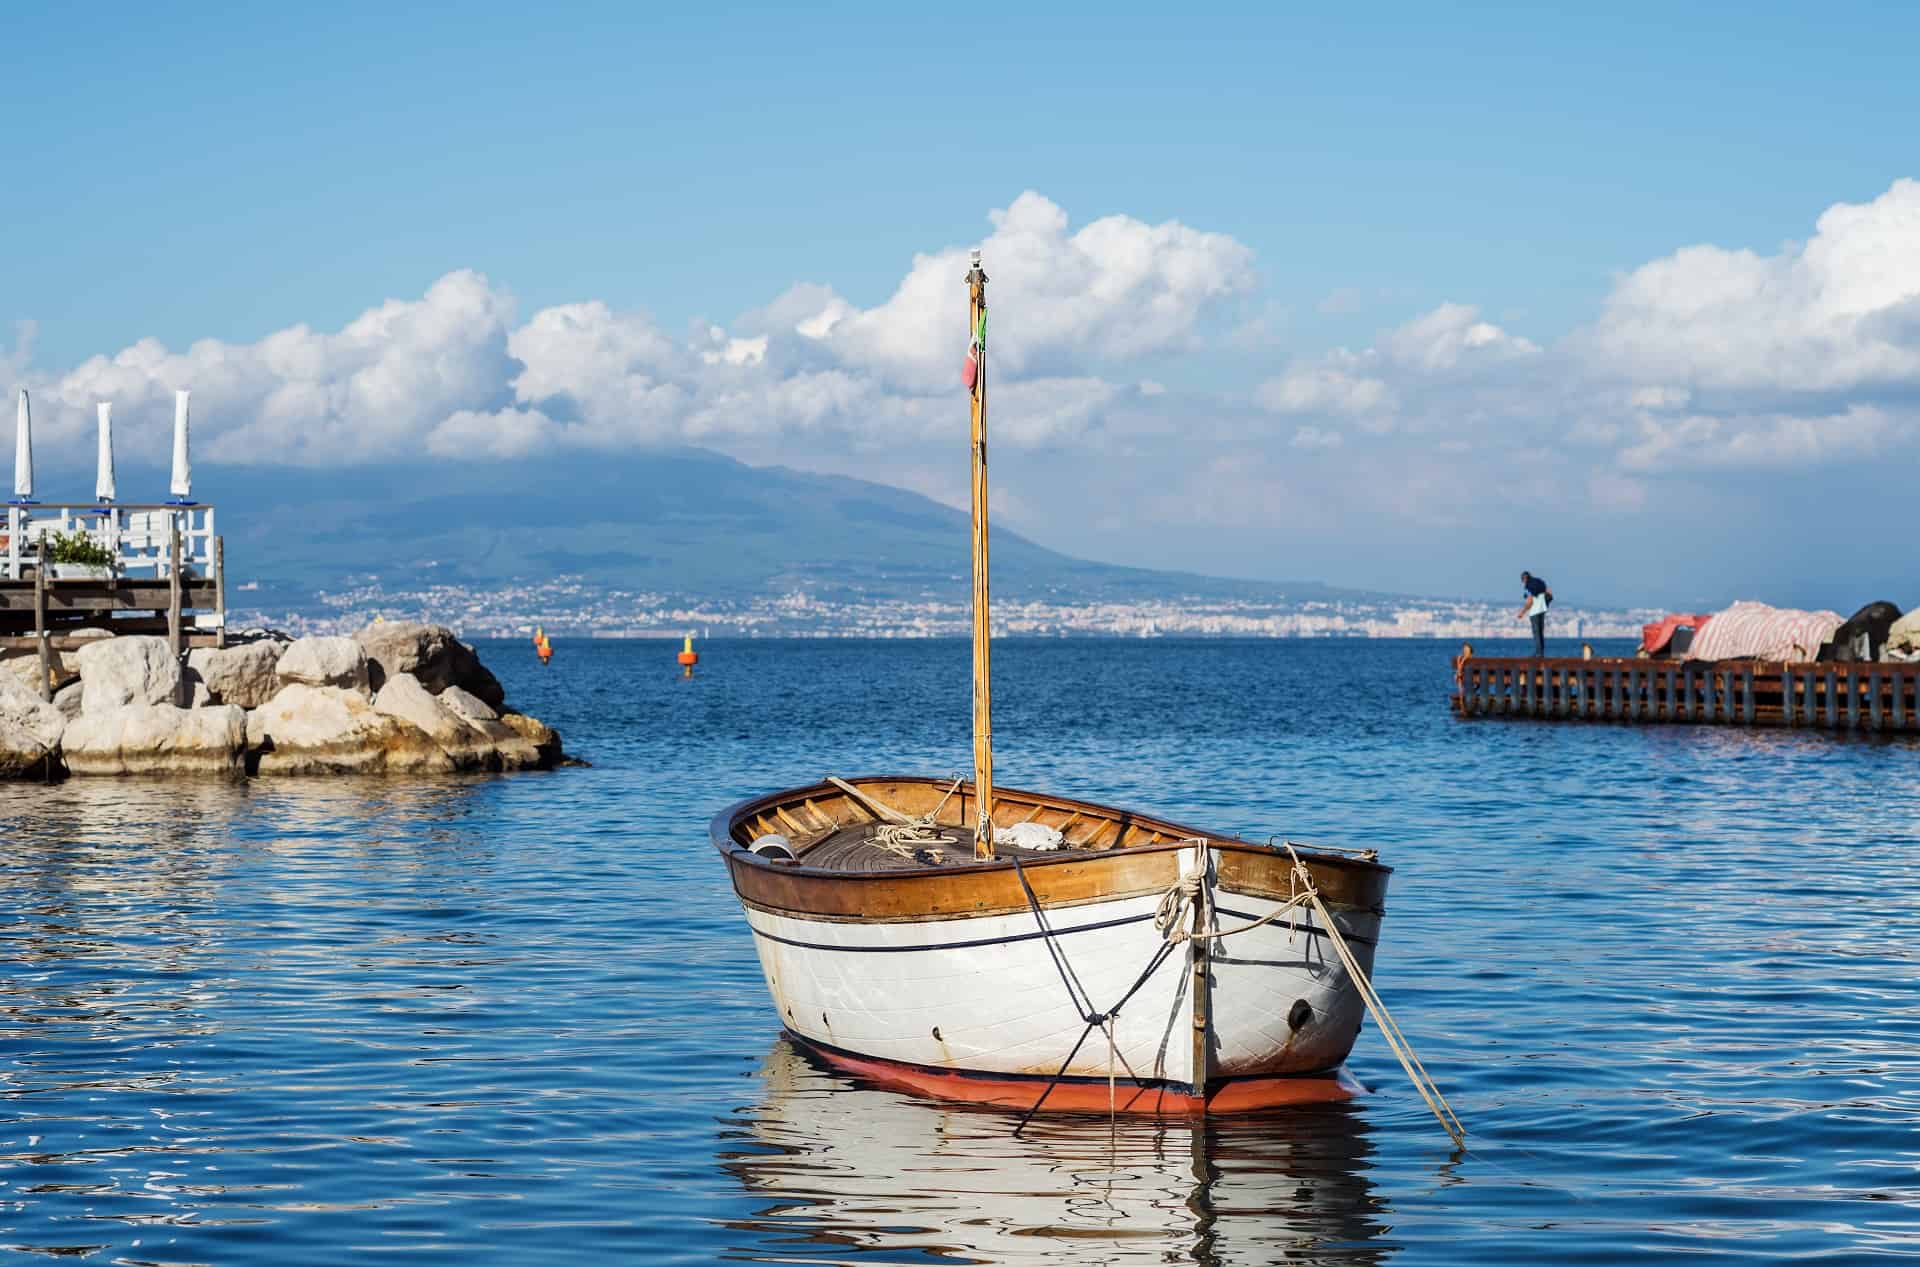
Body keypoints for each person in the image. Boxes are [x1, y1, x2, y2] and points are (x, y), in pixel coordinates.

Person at [1516, 571, 1553, 656]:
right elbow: (1550, 593)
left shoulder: (1529, 586)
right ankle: (1541, 653)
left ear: (1524, 579)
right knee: (1540, 632)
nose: (1523, 582)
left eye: (1522, 580)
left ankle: (1538, 653)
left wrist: (1522, 612)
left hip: (1534, 612)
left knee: (1536, 633)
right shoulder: (1540, 582)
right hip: (1542, 610)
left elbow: (1530, 601)